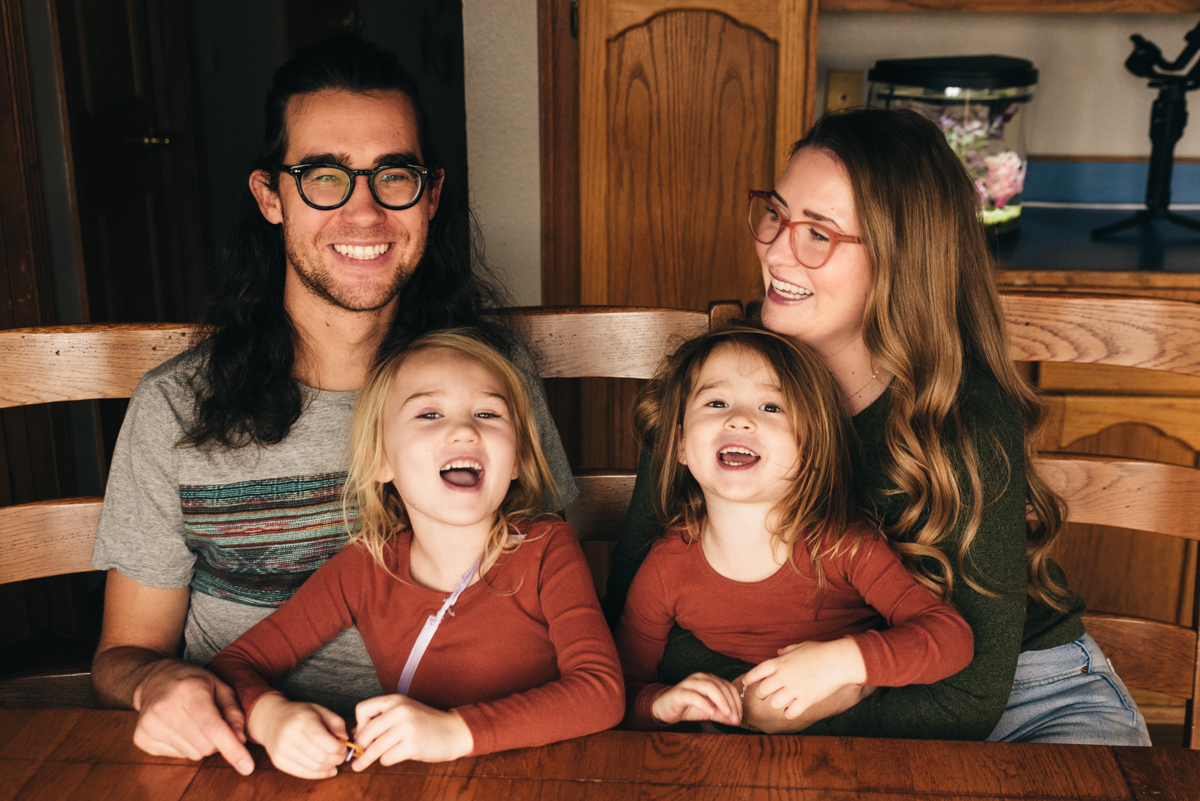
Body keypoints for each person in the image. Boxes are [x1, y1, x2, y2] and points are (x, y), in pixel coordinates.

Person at [89, 35, 577, 776]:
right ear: (269, 197)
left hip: (475, 756)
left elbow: (554, 584)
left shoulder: (492, 380)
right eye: (324, 177)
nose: (365, 212)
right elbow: (124, 655)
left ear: (431, 194)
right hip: (256, 763)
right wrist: (159, 682)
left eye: (395, 176)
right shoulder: (174, 410)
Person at [603, 107, 1151, 745]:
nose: (777, 249)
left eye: (820, 233)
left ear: (900, 260)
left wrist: (794, 704)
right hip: (780, 691)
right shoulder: (714, 392)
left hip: (1028, 693)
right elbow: (634, 628)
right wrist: (746, 696)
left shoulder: (963, 417)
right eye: (776, 213)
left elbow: (972, 695)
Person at [208, 331, 622, 779]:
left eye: (488, 413)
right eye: (429, 413)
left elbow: (601, 693)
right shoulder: (364, 569)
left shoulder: (547, 549)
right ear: (381, 462)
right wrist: (272, 720)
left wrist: (451, 732)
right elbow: (235, 665)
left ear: (518, 458)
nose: (465, 428)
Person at [614, 326, 973, 731]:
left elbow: (951, 639)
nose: (739, 420)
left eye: (771, 407)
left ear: (810, 447)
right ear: (680, 444)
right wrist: (662, 703)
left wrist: (842, 661)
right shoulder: (667, 568)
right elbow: (617, 689)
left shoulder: (842, 546)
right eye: (716, 402)